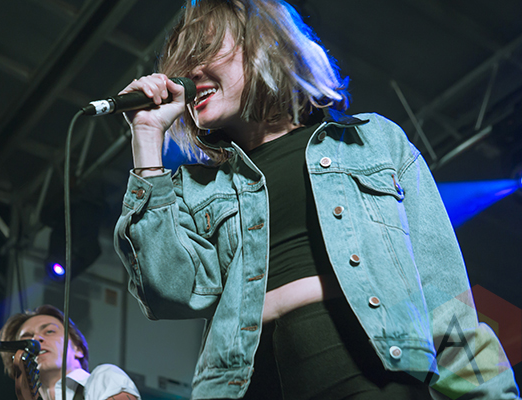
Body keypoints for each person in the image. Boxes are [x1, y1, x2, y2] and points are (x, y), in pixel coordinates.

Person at [113, 0, 520, 399]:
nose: (190, 73)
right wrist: (146, 138)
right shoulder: (194, 187)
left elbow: (445, 302)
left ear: (264, 44)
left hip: (368, 375)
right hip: (245, 385)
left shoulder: (372, 141)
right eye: (183, 64)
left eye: (204, 51)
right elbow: (168, 291)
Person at [0, 305, 140, 400]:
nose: (36, 339)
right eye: (26, 339)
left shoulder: (104, 379)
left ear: (78, 348)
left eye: (49, 331)